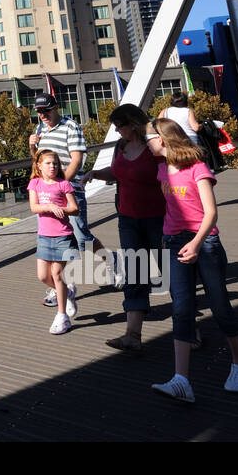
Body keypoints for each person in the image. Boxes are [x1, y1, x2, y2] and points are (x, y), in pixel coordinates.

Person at [149, 117, 238, 402]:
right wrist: (165, 237)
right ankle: (181, 379)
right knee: (182, 309)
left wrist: (196, 243)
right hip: (173, 242)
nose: (147, 142)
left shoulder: (197, 168)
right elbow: (171, 209)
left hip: (204, 241)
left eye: (150, 137)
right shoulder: (161, 170)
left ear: (163, 139)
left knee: (219, 306)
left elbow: (211, 213)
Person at [27, 92, 121, 303]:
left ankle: (111, 260)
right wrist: (32, 146)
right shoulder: (40, 129)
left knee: (81, 238)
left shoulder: (71, 127)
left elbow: (76, 161)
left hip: (69, 190)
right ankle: (59, 285)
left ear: (56, 107)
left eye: (46, 111)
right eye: (39, 112)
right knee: (52, 240)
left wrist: (61, 187)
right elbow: (39, 162)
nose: (42, 115)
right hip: (46, 195)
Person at [88, 104, 165, 352]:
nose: (116, 131)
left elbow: (171, 174)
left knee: (170, 271)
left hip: (158, 218)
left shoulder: (155, 147)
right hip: (128, 218)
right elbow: (118, 173)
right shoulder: (120, 147)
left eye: (119, 126)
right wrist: (95, 173)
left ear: (132, 123)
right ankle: (133, 334)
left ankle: (190, 329)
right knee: (134, 273)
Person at [29, 148, 79, 334]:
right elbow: (34, 207)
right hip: (44, 236)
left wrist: (61, 208)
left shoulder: (63, 184)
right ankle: (67, 293)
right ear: (39, 166)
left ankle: (62, 316)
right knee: (43, 276)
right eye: (48, 163)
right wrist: (49, 206)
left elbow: (75, 208)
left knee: (57, 274)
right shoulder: (35, 184)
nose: (53, 167)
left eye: (56, 163)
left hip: (62, 236)